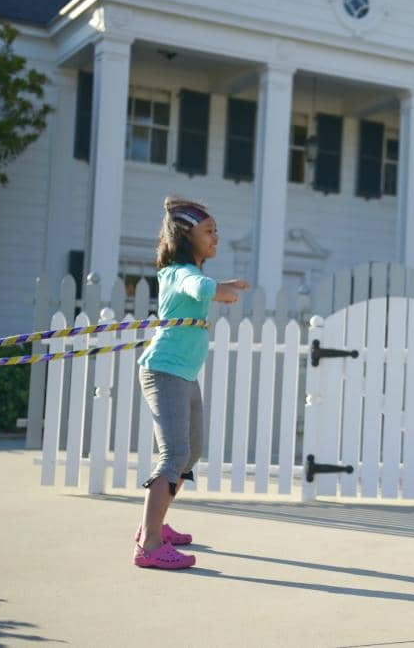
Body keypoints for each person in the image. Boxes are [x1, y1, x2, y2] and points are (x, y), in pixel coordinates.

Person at [133, 197, 249, 570]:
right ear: (186, 235)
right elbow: (196, 287)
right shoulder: (178, 272)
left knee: (191, 451)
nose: (216, 237)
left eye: (216, 230)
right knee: (173, 454)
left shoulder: (190, 272)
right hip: (164, 370)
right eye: (209, 231)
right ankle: (149, 546)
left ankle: (153, 526)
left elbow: (201, 285)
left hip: (183, 373)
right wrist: (218, 290)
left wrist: (222, 285)